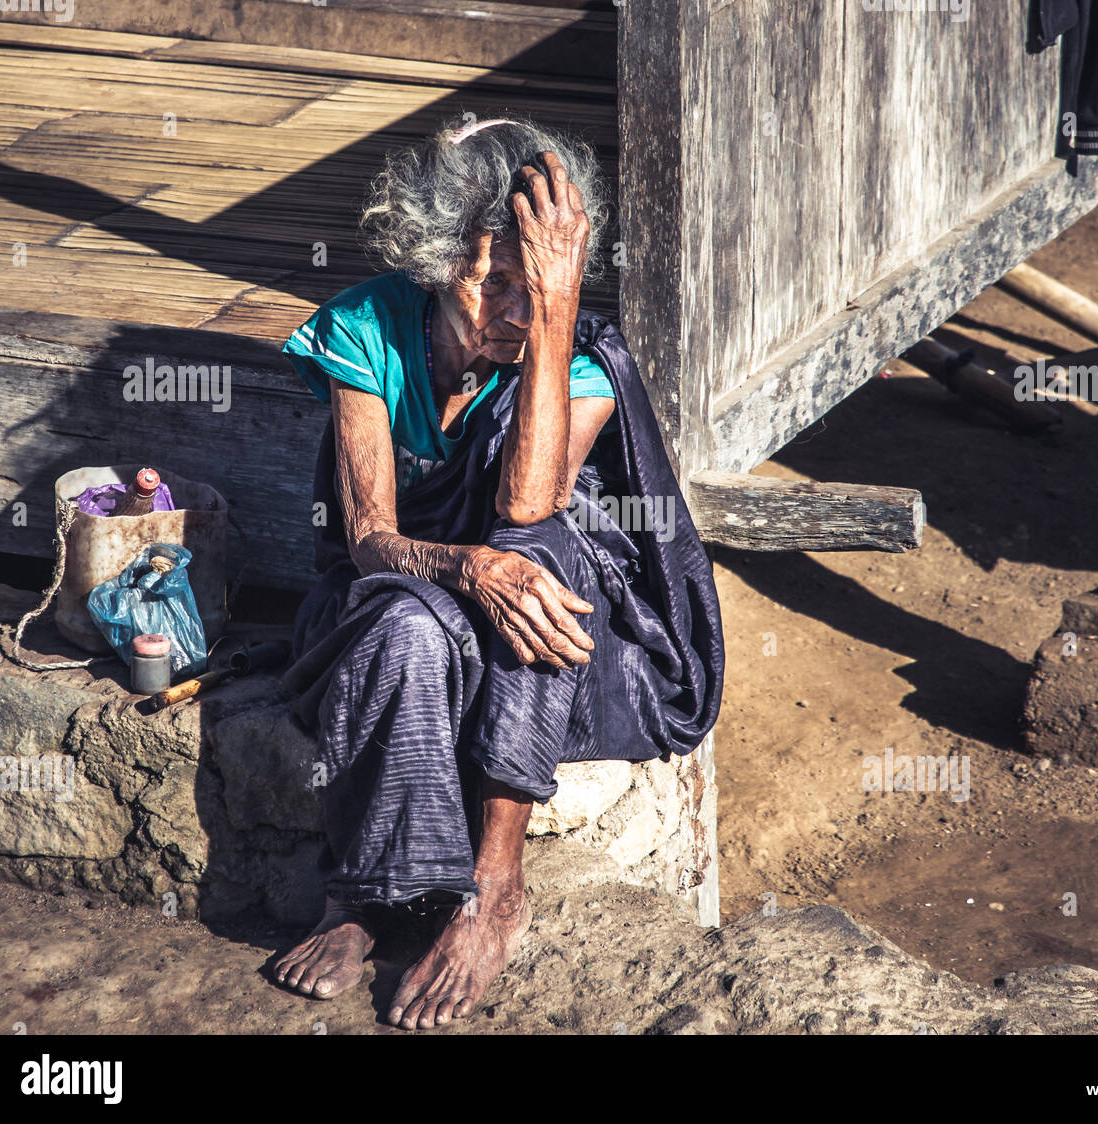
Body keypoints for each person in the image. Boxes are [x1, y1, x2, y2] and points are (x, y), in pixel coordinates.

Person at [272, 116, 723, 1030]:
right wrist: (463, 568)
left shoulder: (579, 358)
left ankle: (494, 884)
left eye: (538, 287)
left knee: (537, 551)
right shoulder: (367, 326)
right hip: (398, 607)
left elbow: (526, 507)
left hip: (554, 642)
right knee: (402, 621)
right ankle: (363, 896)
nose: (514, 313)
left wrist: (556, 311)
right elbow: (369, 539)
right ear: (439, 264)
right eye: (493, 285)